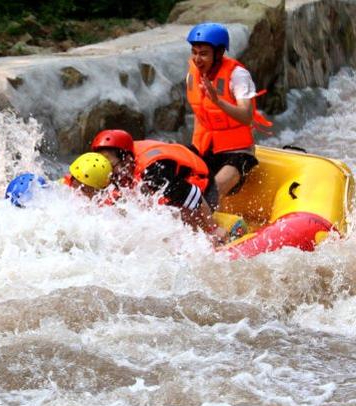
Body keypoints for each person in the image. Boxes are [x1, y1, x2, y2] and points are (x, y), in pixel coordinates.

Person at [185, 22, 272, 209]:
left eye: (203, 54)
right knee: (173, 178)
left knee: (209, 194)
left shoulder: (238, 75)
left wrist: (218, 102)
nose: (197, 59)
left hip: (237, 153)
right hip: (205, 148)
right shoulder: (193, 75)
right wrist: (194, 152)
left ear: (219, 53)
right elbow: (200, 116)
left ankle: (217, 231)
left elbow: (247, 116)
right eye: (194, 52)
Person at [90, 129, 228, 244]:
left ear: (126, 159)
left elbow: (194, 195)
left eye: (113, 167)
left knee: (182, 226)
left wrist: (213, 228)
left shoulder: (154, 172)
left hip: (203, 186)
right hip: (173, 182)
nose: (111, 174)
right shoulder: (118, 163)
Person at [5, 153, 113, 207]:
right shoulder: (59, 193)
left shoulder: (107, 206)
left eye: (85, 189)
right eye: (75, 183)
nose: (77, 191)